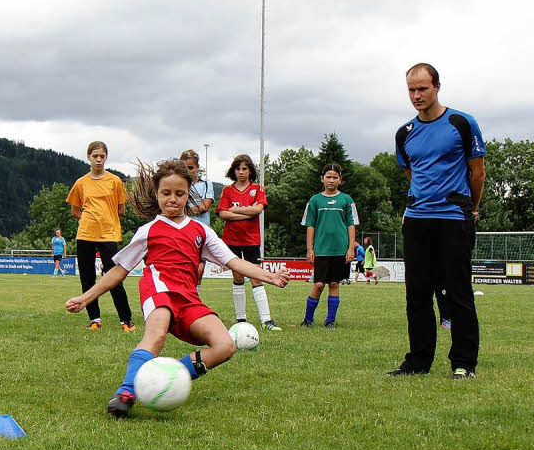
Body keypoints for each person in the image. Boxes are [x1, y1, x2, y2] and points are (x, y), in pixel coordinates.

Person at [65, 159, 289, 417]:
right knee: (157, 334)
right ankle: (127, 392)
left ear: (188, 194)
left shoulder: (201, 231)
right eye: (166, 193)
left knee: (225, 346)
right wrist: (86, 297)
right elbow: (119, 270)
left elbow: (233, 262)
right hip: (158, 289)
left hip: (189, 298)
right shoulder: (148, 231)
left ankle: (170, 377)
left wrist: (269, 276)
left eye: (180, 194)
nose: (173, 199)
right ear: (157, 194)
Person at [389, 63, 485, 380]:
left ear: (437, 87)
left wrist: (470, 208)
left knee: (458, 293)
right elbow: (412, 175)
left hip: (453, 219)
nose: (416, 95)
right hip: (417, 221)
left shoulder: (461, 123)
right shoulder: (404, 134)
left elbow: (477, 172)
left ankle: (463, 362)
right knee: (416, 295)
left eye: (422, 89)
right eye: (411, 90)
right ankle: (417, 362)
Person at [65, 141, 135, 331]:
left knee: (113, 278)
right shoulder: (81, 183)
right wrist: (89, 218)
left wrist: (105, 218)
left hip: (109, 234)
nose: (98, 159)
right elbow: (75, 210)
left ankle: (126, 321)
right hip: (85, 234)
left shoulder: (115, 181)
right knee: (87, 279)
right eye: (95, 156)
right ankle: (94, 320)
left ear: (106, 157)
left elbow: (121, 209)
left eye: (102, 156)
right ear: (88, 157)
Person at [216, 154, 280, 331]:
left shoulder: (258, 189)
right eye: (238, 168)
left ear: (250, 170)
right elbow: (223, 213)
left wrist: (235, 210)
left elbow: (258, 209)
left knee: (256, 277)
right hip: (232, 240)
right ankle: (241, 320)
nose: (241, 172)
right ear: (233, 171)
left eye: (245, 168)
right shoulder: (227, 191)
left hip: (252, 240)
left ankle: (266, 320)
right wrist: (247, 212)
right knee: (237, 277)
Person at [299, 163, 358, 329]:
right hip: (321, 251)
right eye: (328, 177)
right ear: (322, 179)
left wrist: (351, 248)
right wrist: (310, 249)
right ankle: (308, 319)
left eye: (335, 177)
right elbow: (310, 225)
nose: (331, 180)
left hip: (340, 250)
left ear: (340, 180)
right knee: (318, 284)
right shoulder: (315, 200)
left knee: (334, 284)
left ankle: (330, 320)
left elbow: (351, 224)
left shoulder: (347, 200)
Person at [180, 149, 216, 287]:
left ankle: (195, 300)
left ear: (197, 168)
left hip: (201, 230)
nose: (188, 171)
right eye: (184, 168)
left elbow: (205, 206)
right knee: (183, 269)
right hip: (181, 229)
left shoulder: (206, 183)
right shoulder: (178, 183)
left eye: (191, 167)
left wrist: (184, 210)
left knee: (199, 269)